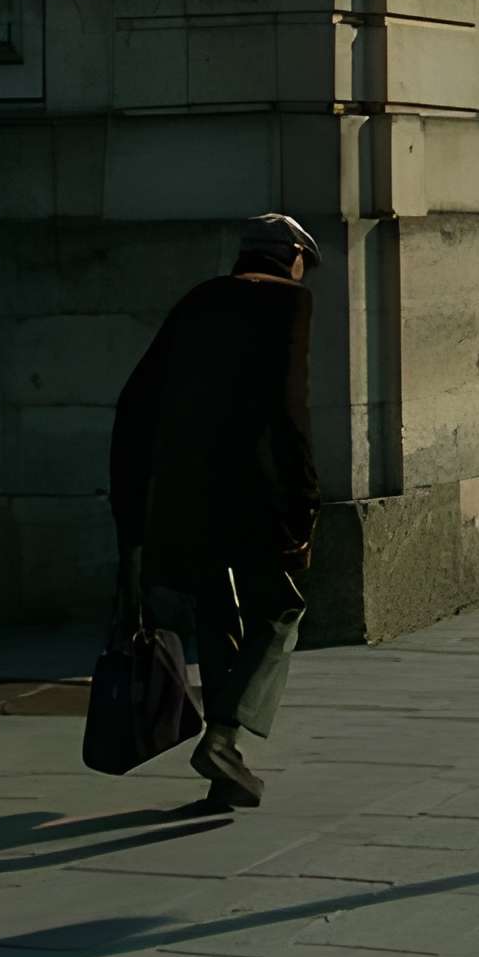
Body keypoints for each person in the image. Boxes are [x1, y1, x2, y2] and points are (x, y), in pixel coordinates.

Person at [109, 212, 321, 810]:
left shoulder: (198, 301)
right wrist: (304, 501)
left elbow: (136, 403)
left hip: (180, 498)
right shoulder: (288, 305)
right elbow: (288, 415)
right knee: (280, 610)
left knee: (218, 617)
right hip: (251, 498)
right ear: (293, 258)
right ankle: (223, 738)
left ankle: (223, 772)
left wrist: (132, 512)